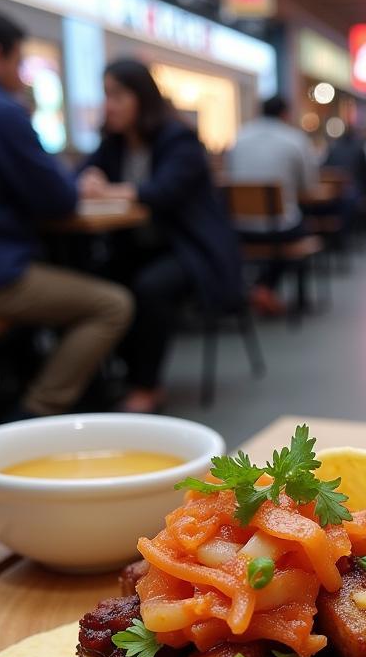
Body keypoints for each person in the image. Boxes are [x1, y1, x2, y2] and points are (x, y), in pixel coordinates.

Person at [0, 8, 132, 418]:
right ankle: (33, 412)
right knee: (111, 304)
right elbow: (58, 199)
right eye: (19, 61)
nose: (22, 74)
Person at [78, 59, 243, 413]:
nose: (110, 105)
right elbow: (85, 172)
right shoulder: (114, 143)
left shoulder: (178, 138)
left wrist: (109, 191)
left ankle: (147, 384)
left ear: (142, 97)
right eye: (107, 95)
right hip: (138, 247)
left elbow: (163, 192)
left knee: (149, 288)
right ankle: (104, 380)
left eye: (118, 95)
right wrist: (89, 175)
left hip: (191, 248)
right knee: (97, 283)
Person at [225, 94, 318, 314]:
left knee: (281, 226)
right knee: (299, 228)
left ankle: (258, 287)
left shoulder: (239, 138)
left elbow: (230, 176)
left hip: (238, 228)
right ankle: (266, 288)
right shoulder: (295, 139)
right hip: (279, 230)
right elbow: (308, 186)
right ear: (285, 114)